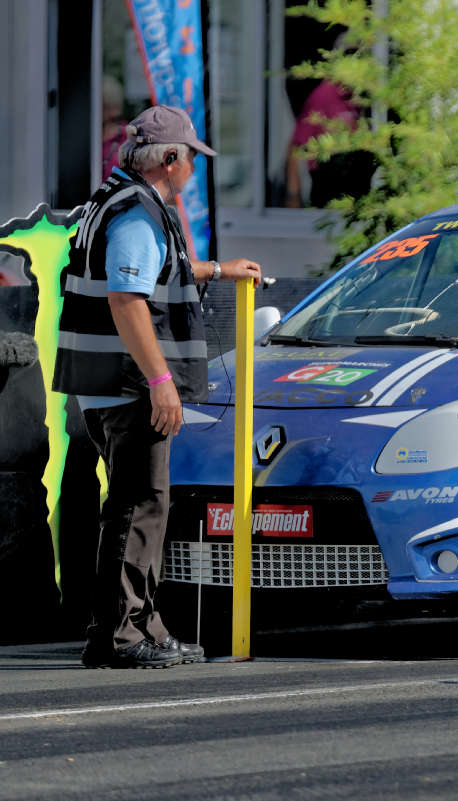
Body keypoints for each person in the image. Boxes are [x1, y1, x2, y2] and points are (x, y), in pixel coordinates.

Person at [52, 104, 263, 668]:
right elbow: (128, 298)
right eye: (191, 157)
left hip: (102, 383)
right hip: (128, 385)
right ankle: (121, 637)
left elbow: (150, 272)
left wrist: (218, 269)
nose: (194, 169)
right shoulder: (139, 215)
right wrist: (160, 381)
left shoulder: (115, 200)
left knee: (137, 503)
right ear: (169, 160)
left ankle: (140, 627)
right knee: (139, 505)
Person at [284, 79, 374, 207]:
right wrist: (293, 195)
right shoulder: (324, 95)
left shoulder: (357, 96)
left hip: (353, 185)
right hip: (327, 183)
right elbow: (297, 146)